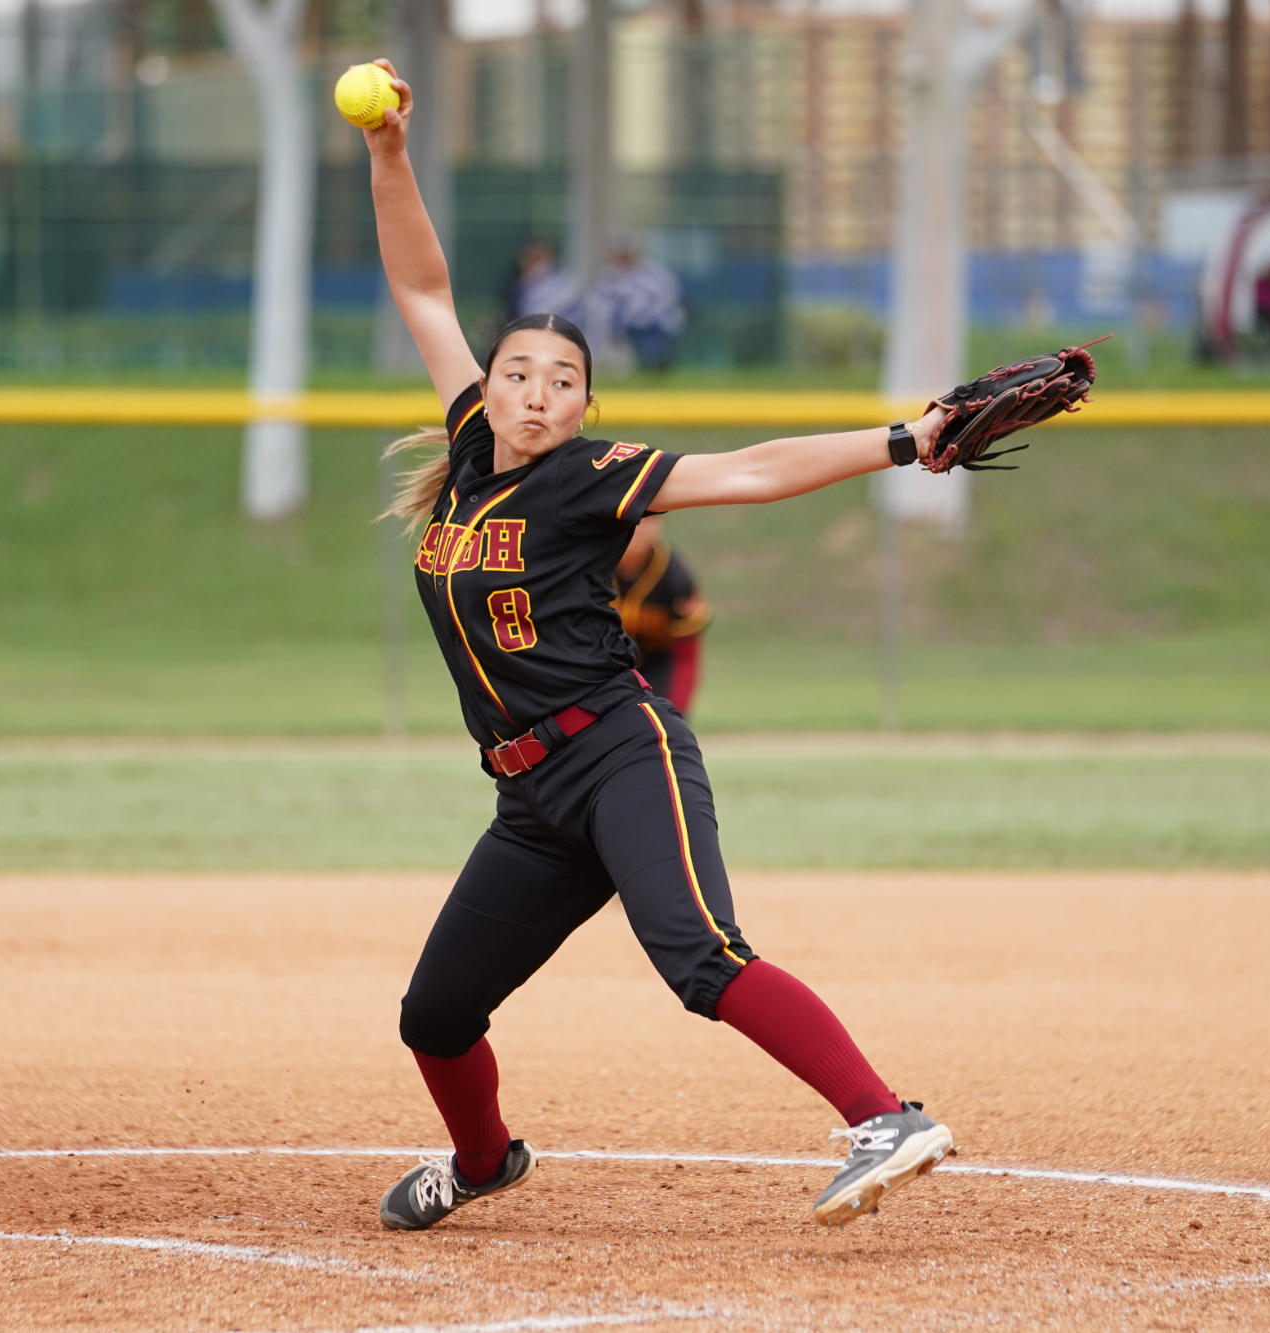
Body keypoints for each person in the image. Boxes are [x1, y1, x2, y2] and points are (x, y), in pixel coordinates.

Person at [356, 59, 956, 1234]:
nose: (535, 392)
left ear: (585, 406)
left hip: (619, 755)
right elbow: (422, 288)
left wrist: (903, 439)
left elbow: (750, 472)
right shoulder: (473, 449)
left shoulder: (590, 477)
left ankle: (885, 1116)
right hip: (529, 801)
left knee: (699, 958)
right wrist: (388, 154)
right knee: (434, 1015)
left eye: (561, 380)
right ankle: (482, 1161)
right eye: (518, 372)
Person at [612, 515, 711, 716]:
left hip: (657, 667)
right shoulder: (589, 568)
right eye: (632, 518)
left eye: (649, 518)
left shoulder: (675, 578)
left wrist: (677, 710)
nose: (639, 527)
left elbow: (685, 654)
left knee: (663, 722)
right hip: (602, 666)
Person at [584, 230, 687, 371]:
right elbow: (595, 308)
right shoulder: (604, 278)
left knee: (652, 346)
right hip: (612, 332)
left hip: (650, 328)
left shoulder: (656, 275)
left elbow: (668, 302)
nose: (624, 256)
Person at [508, 239, 581, 323]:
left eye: (536, 259)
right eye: (526, 258)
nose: (529, 263)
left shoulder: (566, 288)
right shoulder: (519, 289)